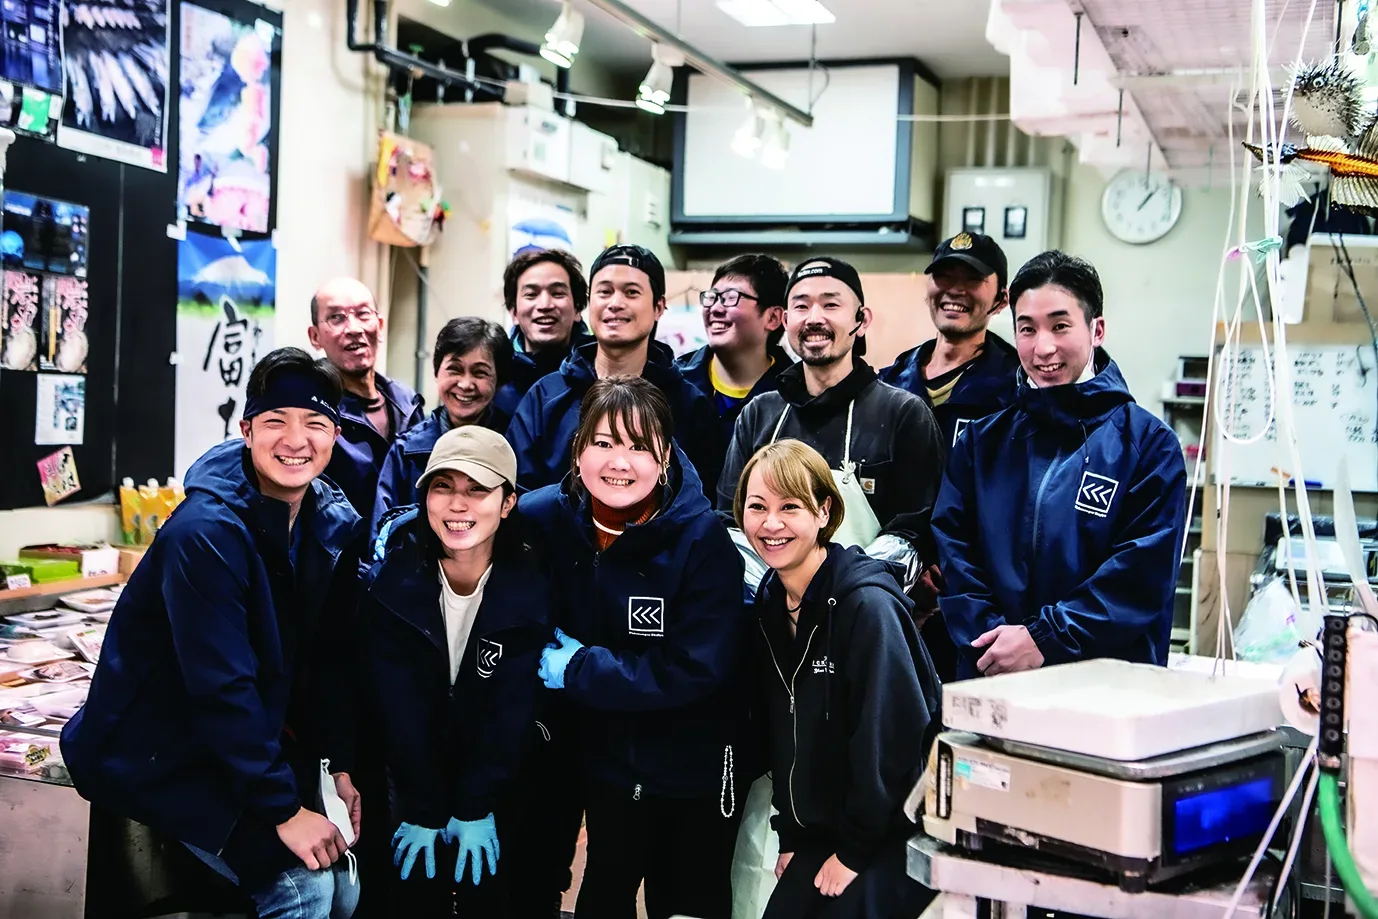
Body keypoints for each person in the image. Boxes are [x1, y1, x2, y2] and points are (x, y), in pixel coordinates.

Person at [61, 348, 366, 919]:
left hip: (233, 744)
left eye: (315, 422)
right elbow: (221, 684)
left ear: (336, 435)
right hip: (157, 750)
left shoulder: (327, 523)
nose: (295, 440)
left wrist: (339, 764)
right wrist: (283, 809)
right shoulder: (204, 532)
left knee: (347, 887)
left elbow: (326, 660)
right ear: (246, 431)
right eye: (275, 420)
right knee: (305, 890)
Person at [521, 376, 747, 919]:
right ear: (578, 450)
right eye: (603, 442)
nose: (619, 462)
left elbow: (696, 667)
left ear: (664, 456)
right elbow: (475, 515)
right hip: (592, 758)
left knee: (684, 903)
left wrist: (580, 668)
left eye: (639, 446)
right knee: (598, 895)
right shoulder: (544, 518)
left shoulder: (701, 540)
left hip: (684, 764)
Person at [932, 250, 1188, 680]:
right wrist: (995, 642)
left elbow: (1139, 577)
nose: (1043, 347)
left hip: (1103, 687)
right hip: (991, 676)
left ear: (1096, 330)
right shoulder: (980, 442)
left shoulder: (1148, 447)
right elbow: (955, 557)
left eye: (1060, 326)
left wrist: (1043, 640)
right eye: (1027, 329)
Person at [737, 439, 939, 919]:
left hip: (893, 831)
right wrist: (791, 835)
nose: (771, 523)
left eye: (790, 507)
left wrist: (854, 852)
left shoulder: (867, 606)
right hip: (822, 830)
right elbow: (784, 728)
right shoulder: (771, 600)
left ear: (824, 510)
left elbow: (894, 741)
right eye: (757, 507)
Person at [364, 426, 550, 917]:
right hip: (410, 782)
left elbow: (513, 710)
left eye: (477, 489)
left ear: (508, 503)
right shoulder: (392, 582)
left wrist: (473, 805)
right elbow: (397, 707)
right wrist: (424, 806)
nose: (457, 504)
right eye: (442, 487)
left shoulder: (534, 587)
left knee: (490, 893)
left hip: (499, 783)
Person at [717, 257, 946, 601]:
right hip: (768, 613)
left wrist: (843, 591)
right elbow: (730, 522)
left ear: (861, 320)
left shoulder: (904, 413)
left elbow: (914, 530)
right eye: (801, 306)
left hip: (867, 612)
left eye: (830, 304)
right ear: (786, 320)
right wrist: (779, 594)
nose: (814, 318)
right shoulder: (758, 414)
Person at [878, 233, 1020, 681]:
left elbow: (1013, 501)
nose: (955, 289)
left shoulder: (1015, 387)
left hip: (976, 602)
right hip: (890, 591)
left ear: (1001, 299)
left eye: (972, 279)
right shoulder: (890, 380)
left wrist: (951, 573)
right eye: (944, 276)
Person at [506, 244, 725, 495]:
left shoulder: (690, 404)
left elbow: (703, 498)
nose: (615, 303)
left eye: (631, 292)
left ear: (658, 307)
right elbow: (516, 491)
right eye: (604, 292)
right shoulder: (545, 396)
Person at [372, 318, 514, 534]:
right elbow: (383, 535)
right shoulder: (406, 451)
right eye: (454, 369)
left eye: (480, 373)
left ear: (499, 381)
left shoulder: (515, 443)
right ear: (437, 372)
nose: (465, 384)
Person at [309, 277, 424, 516]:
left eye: (363, 314)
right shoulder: (314, 412)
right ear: (315, 336)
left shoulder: (407, 402)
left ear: (380, 326)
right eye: (336, 318)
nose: (353, 329)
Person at [675, 253, 793, 439]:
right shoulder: (675, 384)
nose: (715, 308)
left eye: (731, 297)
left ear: (773, 318)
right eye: (712, 297)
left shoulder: (795, 398)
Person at [494, 247, 594, 422]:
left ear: (577, 309)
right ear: (514, 312)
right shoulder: (496, 378)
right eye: (531, 294)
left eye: (558, 293)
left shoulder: (599, 375)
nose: (545, 305)